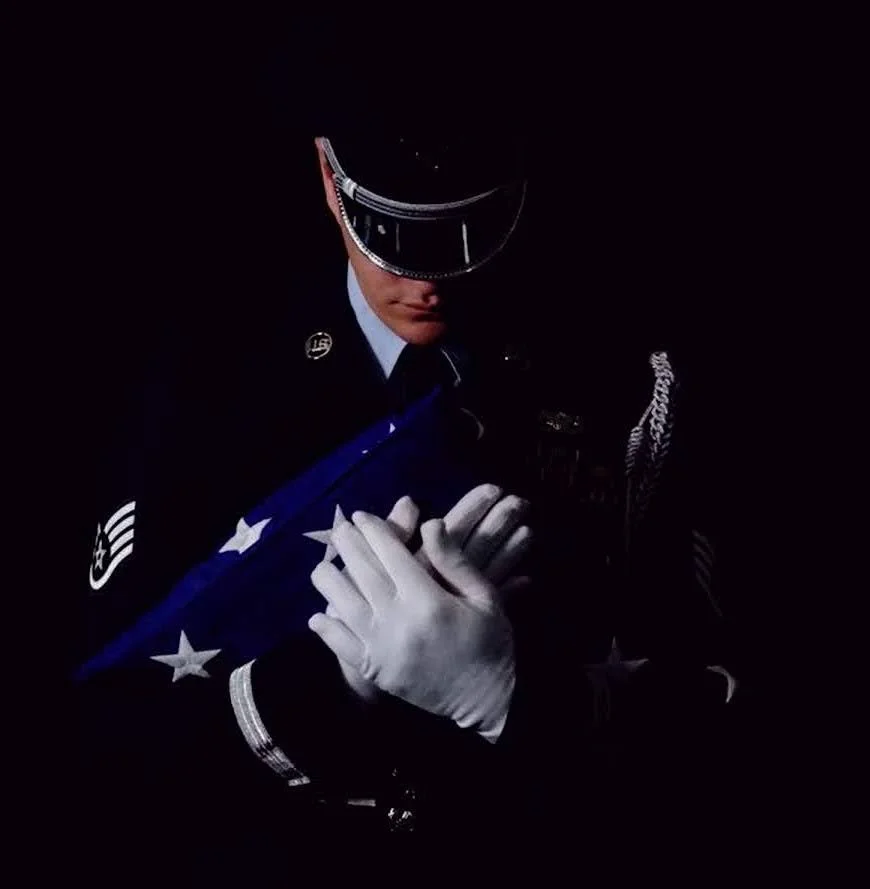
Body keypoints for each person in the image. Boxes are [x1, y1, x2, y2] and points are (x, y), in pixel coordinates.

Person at [75, 116, 743, 879]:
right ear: (331, 181)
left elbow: (711, 720)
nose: (426, 280)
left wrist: (509, 701)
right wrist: (327, 688)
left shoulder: (625, 387)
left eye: (466, 231)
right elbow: (105, 740)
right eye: (388, 233)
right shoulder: (205, 388)